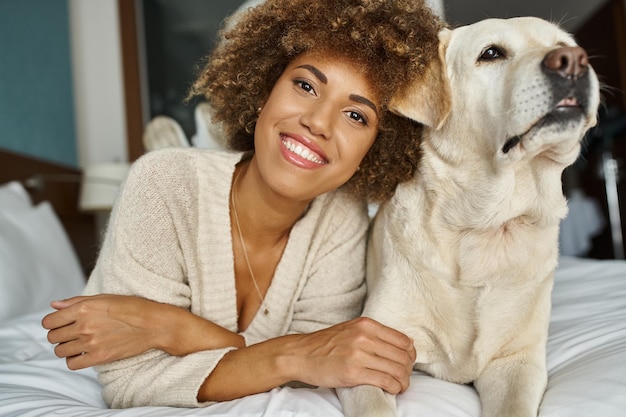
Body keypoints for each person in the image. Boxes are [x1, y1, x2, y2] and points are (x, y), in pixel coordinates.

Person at [42, 0, 443, 408]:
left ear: (375, 150)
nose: (318, 123)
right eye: (305, 86)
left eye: (356, 116)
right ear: (265, 90)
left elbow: (316, 369)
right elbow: (128, 382)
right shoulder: (164, 183)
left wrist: (166, 326)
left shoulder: (342, 220)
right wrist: (294, 354)